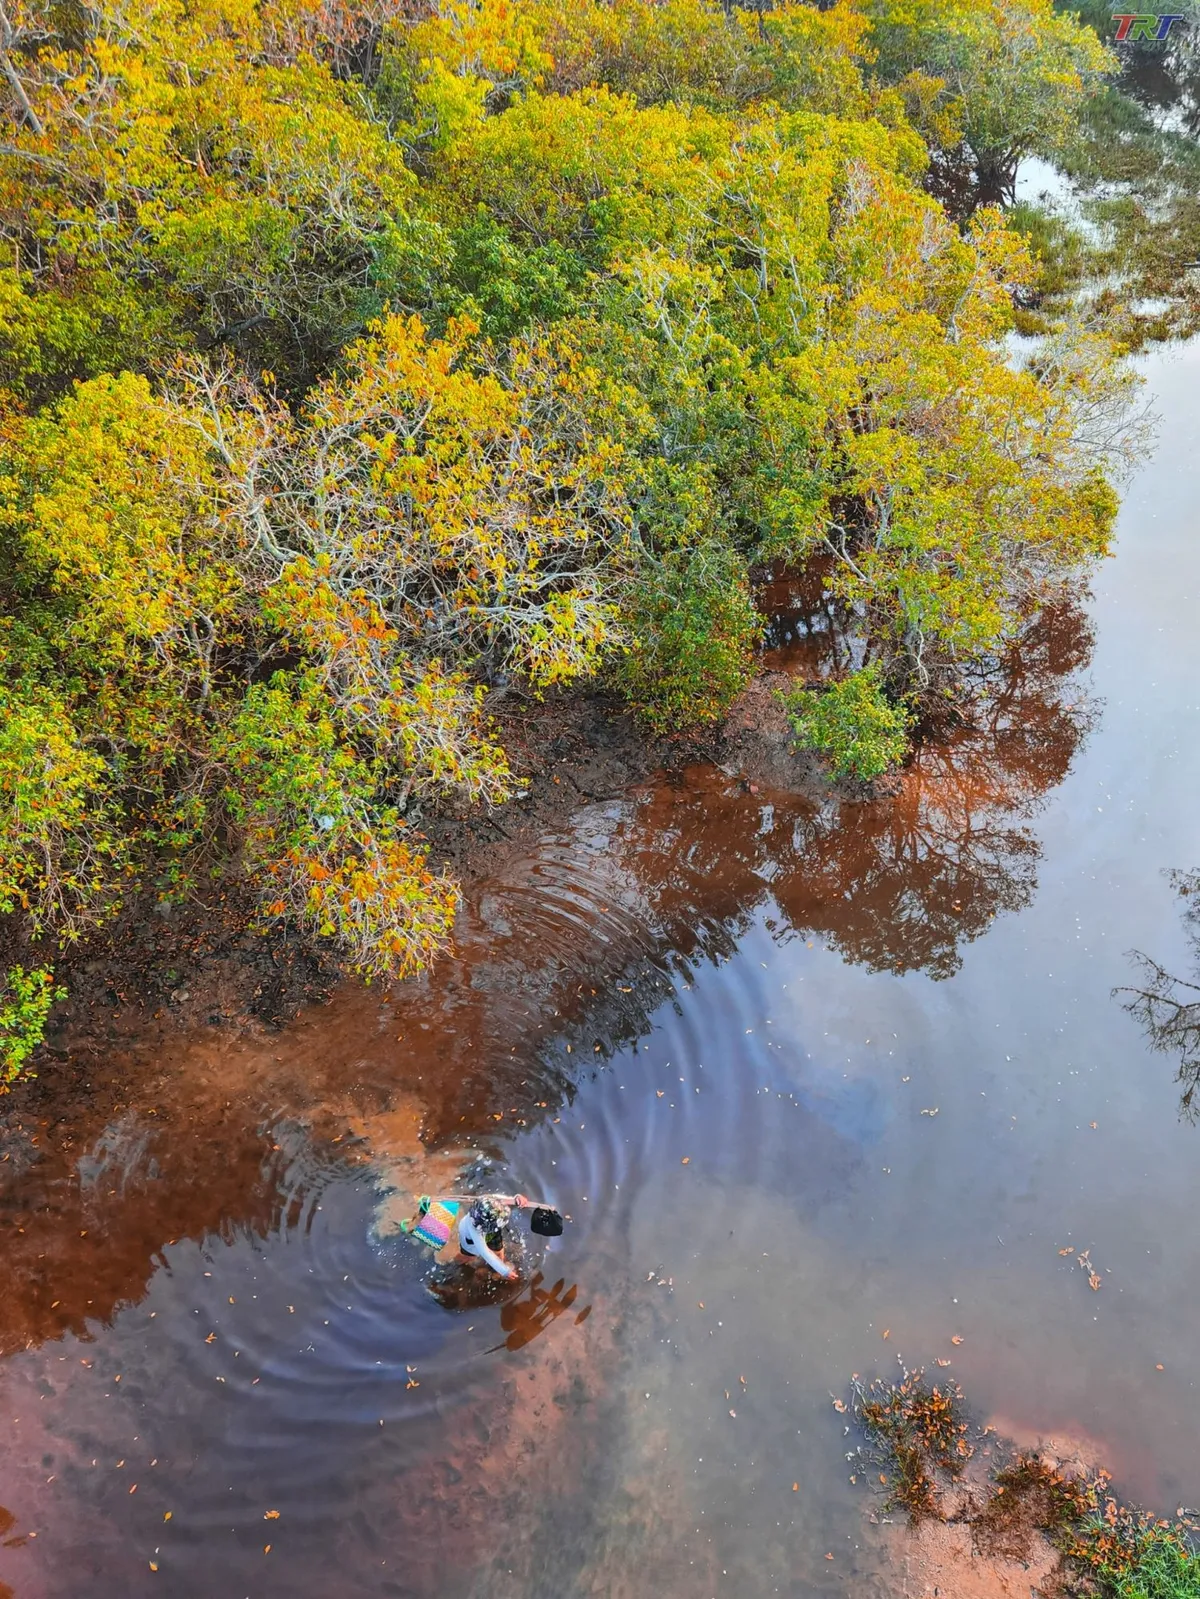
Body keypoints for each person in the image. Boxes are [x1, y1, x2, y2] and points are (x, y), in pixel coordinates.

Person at [402, 1191, 532, 1280]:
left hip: (492, 1232)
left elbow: (508, 1200)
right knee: (468, 1256)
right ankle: (456, 1263)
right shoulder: (473, 1230)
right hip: (471, 1242)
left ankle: (498, 1265)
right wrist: (505, 1271)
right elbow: (484, 1252)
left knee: (499, 1250)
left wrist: (517, 1198)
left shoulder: (489, 1201)